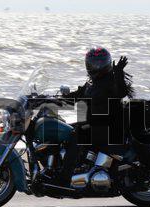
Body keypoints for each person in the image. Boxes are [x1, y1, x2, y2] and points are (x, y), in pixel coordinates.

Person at [52, 47, 134, 187]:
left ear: (107, 63)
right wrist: (50, 99)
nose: (97, 66)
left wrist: (119, 72)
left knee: (77, 135)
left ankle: (64, 178)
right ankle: (60, 168)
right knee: (64, 130)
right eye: (94, 63)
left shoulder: (111, 81)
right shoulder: (91, 83)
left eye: (100, 62)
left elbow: (121, 92)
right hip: (95, 124)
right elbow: (75, 96)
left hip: (108, 127)